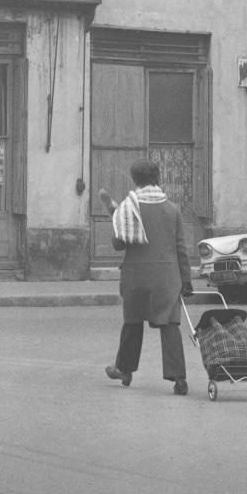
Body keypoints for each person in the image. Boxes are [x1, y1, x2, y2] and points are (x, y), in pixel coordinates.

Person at [100, 160, 193, 395]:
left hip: (137, 276)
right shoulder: (173, 209)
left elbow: (119, 243)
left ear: (135, 180)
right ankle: (179, 378)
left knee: (132, 322)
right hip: (167, 277)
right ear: (157, 178)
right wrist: (187, 281)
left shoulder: (129, 207)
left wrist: (115, 217)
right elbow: (180, 248)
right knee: (170, 324)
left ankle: (125, 369)